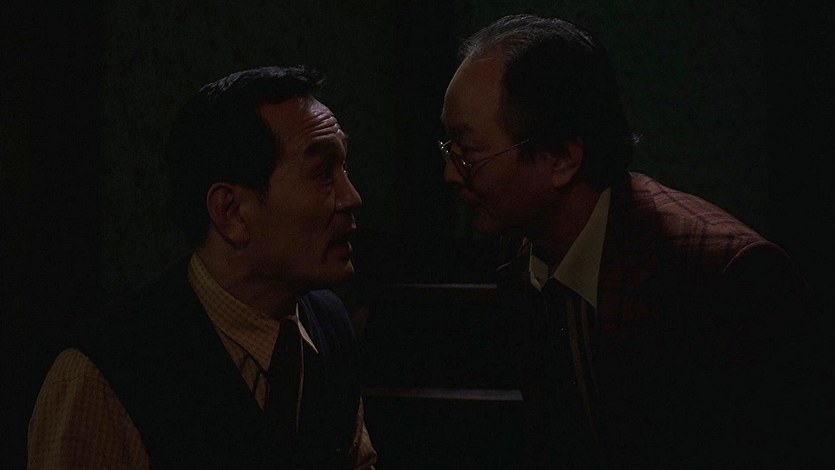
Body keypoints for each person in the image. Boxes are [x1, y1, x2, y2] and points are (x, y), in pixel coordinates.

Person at [439, 14, 824, 469]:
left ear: (562, 158)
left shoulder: (725, 277)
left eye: (469, 154)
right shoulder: (521, 252)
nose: (451, 175)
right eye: (450, 150)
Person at [28, 66, 377, 469]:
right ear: (231, 213)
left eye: (344, 168)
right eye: (322, 174)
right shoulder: (105, 375)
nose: (352, 197)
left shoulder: (329, 326)